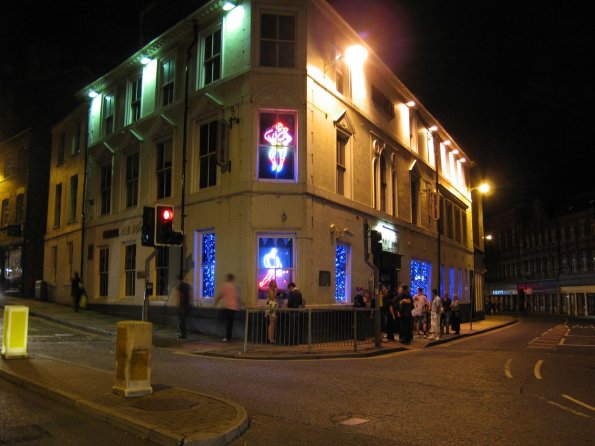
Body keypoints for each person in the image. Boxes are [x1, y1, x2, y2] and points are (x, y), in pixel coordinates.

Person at [215, 273, 240, 343]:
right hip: (233, 307)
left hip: (227, 307)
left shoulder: (225, 285)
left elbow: (221, 295)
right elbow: (237, 297)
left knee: (225, 321)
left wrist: (216, 301)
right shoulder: (234, 286)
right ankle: (228, 337)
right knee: (230, 323)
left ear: (228, 278)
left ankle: (227, 337)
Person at [175, 273, 192, 339]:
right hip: (187, 305)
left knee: (181, 321)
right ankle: (183, 333)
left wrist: (179, 304)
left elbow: (179, 295)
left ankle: (183, 334)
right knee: (184, 320)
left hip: (182, 305)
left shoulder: (180, 286)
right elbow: (190, 295)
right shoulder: (188, 286)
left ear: (179, 279)